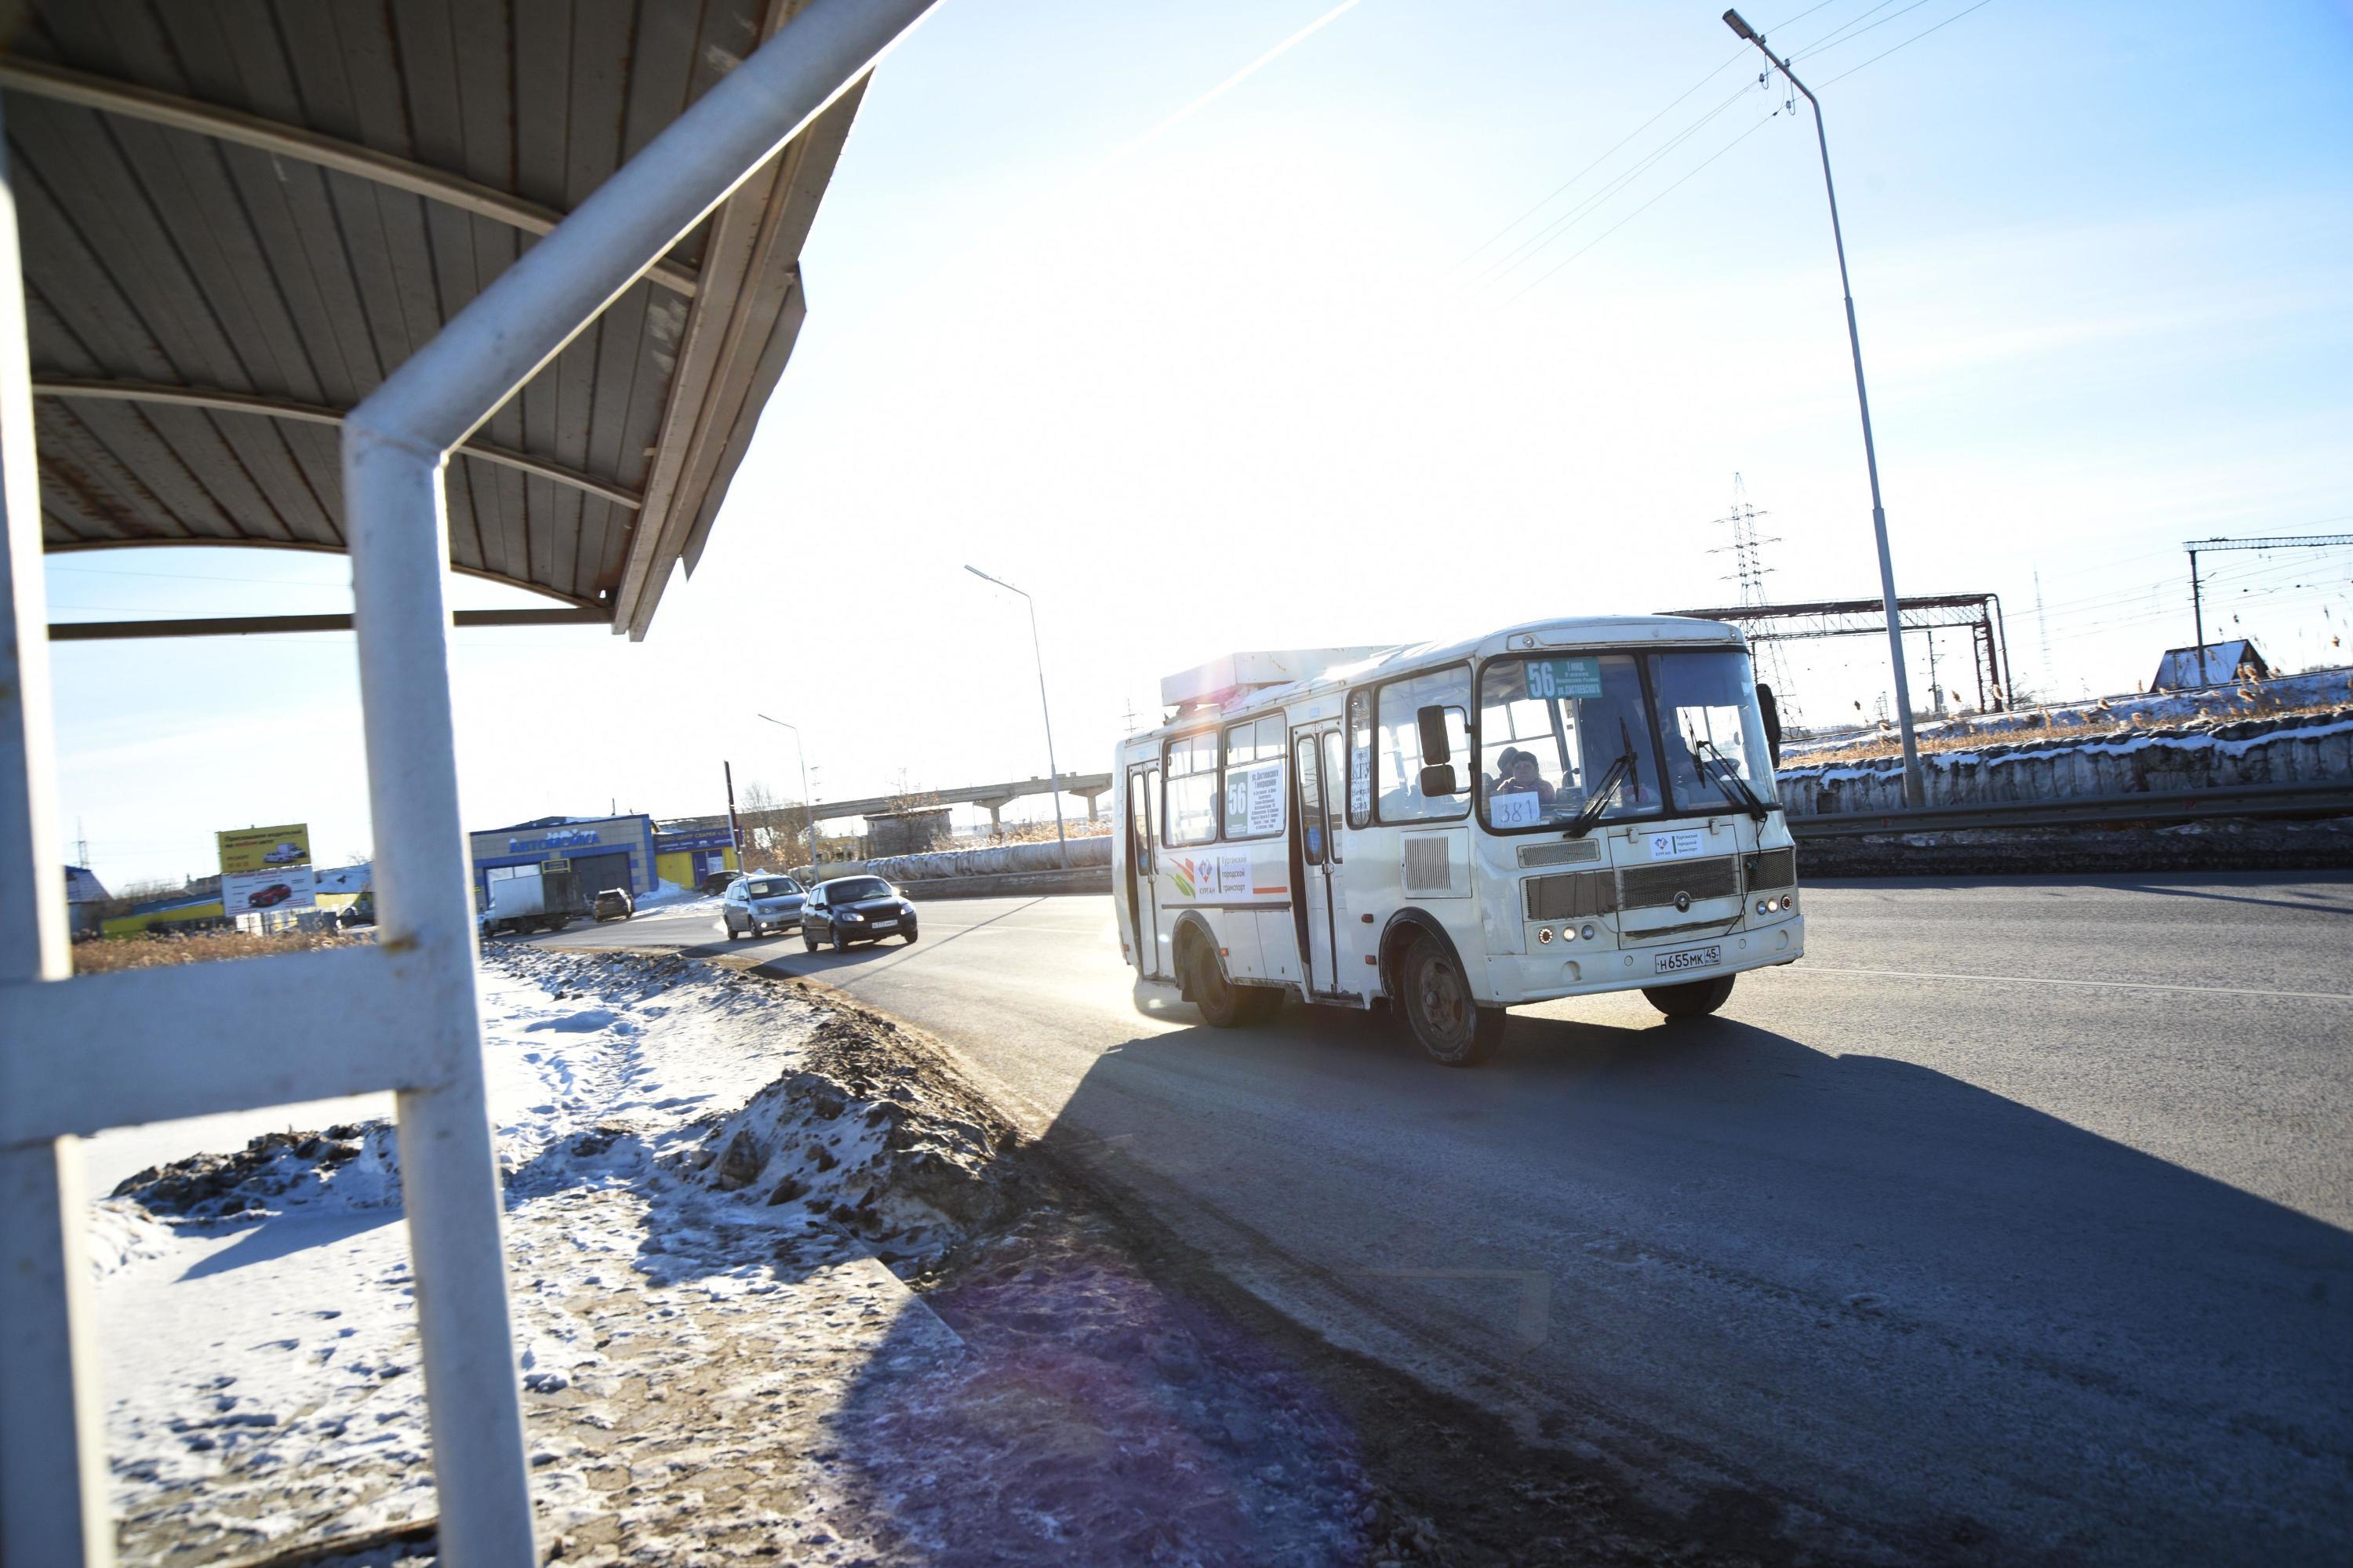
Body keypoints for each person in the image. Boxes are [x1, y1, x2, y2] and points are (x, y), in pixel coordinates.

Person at [1492, 747, 1556, 805]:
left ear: (1536, 770)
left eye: (1527, 766)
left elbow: (1531, 795)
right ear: (1513, 772)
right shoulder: (1508, 784)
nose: (1522, 771)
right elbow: (1496, 799)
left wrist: (1508, 792)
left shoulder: (1546, 786)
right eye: (1517, 767)